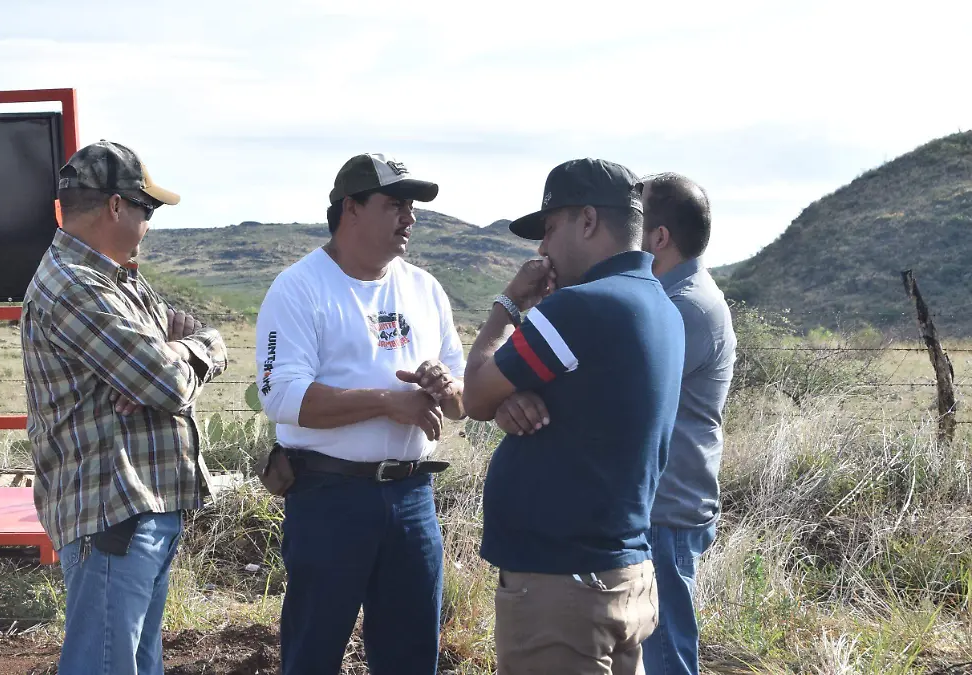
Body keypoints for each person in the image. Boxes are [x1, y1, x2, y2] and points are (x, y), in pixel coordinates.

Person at [461, 158, 685, 674]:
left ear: (586, 221)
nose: (542, 248)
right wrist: (509, 400)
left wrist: (508, 304)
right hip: (622, 575)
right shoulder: (659, 305)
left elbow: (474, 395)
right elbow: (578, 408)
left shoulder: (581, 309)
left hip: (563, 590)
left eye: (549, 228)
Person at [20, 140, 229, 675]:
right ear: (116, 205)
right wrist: (180, 356)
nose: (149, 223)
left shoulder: (117, 279)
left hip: (136, 510)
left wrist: (187, 348)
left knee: (132, 661)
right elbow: (168, 381)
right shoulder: (75, 285)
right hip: (114, 516)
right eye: (147, 208)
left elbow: (193, 343)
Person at [254, 152, 467, 674]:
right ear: (350, 208)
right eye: (395, 204)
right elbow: (282, 397)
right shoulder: (299, 288)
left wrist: (444, 385)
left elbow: (465, 398)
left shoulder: (424, 288)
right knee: (313, 653)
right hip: (331, 498)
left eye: (411, 207)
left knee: (411, 657)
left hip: (413, 498)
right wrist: (389, 403)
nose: (409, 218)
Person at [635, 172, 736, 675]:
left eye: (635, 221)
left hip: (668, 513)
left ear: (659, 238)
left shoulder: (684, 309)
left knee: (666, 655)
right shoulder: (673, 299)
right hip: (662, 507)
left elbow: (624, 397)